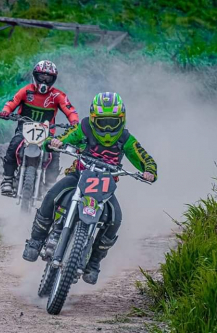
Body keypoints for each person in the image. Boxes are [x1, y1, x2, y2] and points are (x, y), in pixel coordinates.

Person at [22, 92, 157, 285]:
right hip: (78, 176)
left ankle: (93, 263)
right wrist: (56, 142)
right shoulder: (84, 128)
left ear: (122, 120)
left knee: (115, 219)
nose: (108, 128)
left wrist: (149, 171)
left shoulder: (126, 138)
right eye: (103, 122)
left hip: (105, 187)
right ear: (94, 120)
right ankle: (36, 240)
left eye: (113, 122)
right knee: (52, 195)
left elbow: (144, 157)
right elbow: (67, 137)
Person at [0, 60, 79, 195]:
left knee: (54, 152)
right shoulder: (26, 90)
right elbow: (13, 102)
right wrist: (6, 111)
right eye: (41, 76)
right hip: (24, 130)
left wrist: (74, 122)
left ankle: (49, 186)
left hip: (47, 133)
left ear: (54, 79)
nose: (44, 81)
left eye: (48, 78)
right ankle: (7, 179)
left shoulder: (57, 96)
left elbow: (70, 110)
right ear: (35, 76)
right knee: (13, 145)